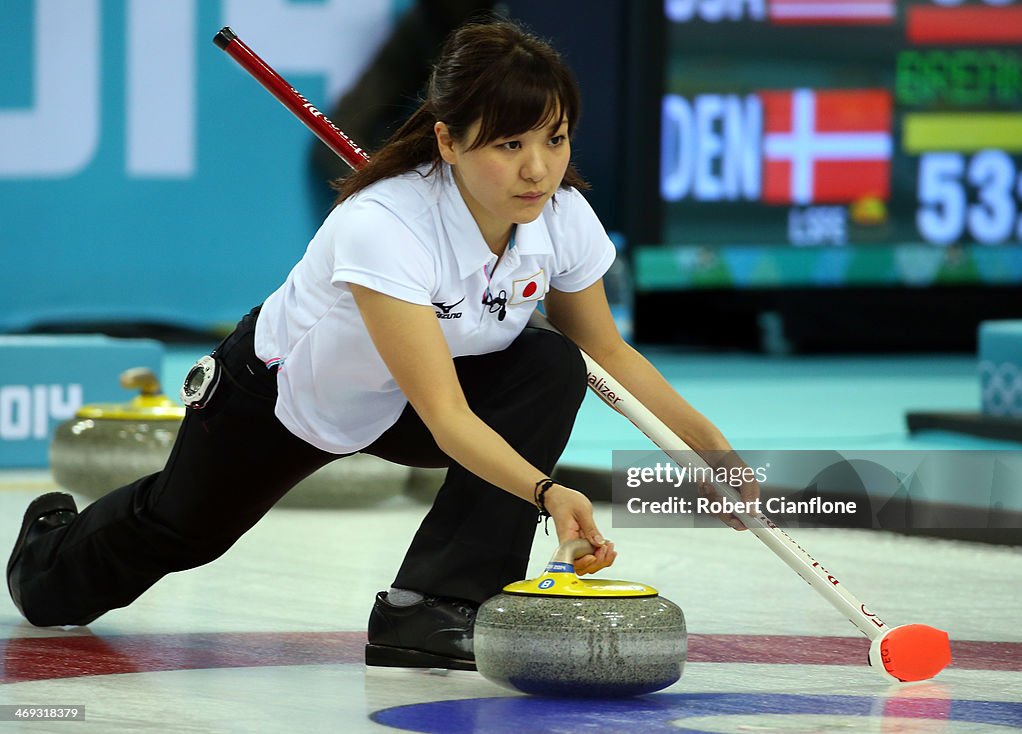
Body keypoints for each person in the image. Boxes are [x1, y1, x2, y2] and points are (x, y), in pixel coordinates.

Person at [7, 19, 758, 672]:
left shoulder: (560, 216)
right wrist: (548, 494)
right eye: (508, 143)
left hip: (409, 402)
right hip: (282, 399)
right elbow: (448, 418)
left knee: (554, 362)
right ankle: (45, 556)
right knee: (179, 532)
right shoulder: (385, 226)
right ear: (448, 141)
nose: (538, 167)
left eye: (554, 138)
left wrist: (709, 449)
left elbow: (612, 358)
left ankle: (431, 608)